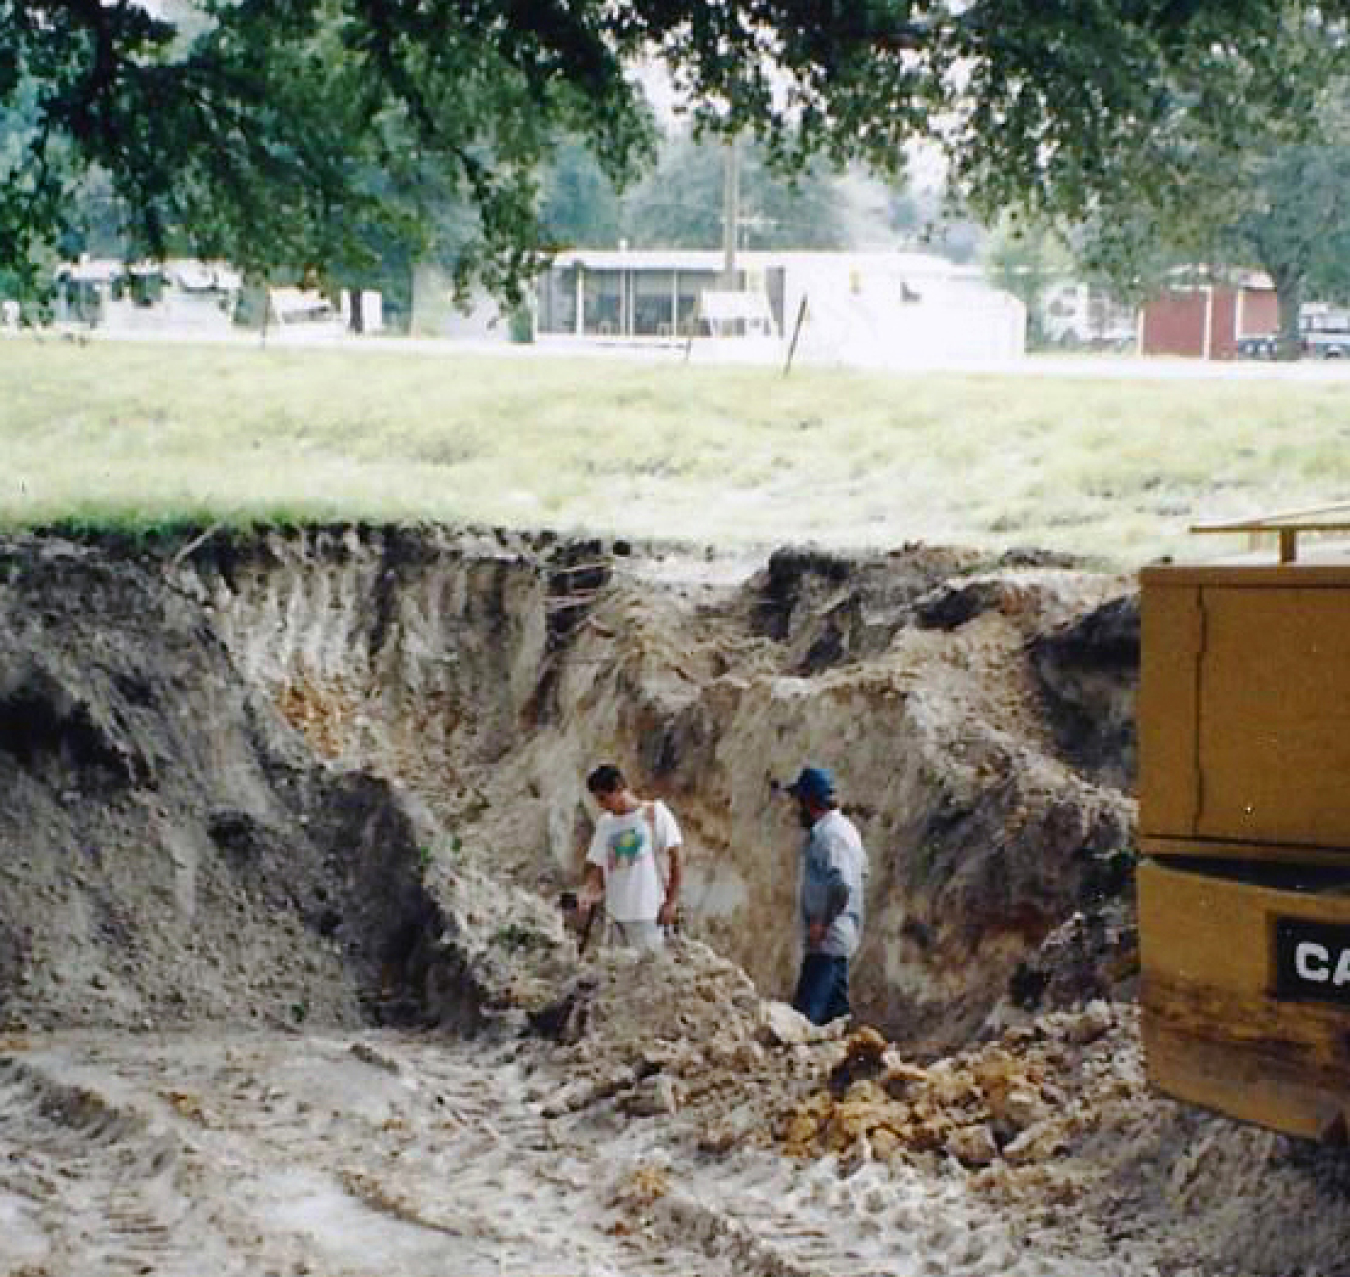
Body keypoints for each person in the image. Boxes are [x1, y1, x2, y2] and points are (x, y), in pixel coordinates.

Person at [786, 765, 868, 1025]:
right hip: (836, 941)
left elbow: (842, 884)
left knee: (806, 1022)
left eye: (800, 801)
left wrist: (822, 921)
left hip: (828, 942)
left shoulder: (831, 836)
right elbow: (863, 873)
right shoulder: (844, 830)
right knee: (835, 1021)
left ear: (809, 801)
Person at [577, 763, 683, 952]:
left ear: (618, 788)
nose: (602, 805)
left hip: (648, 915)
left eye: (604, 798)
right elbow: (597, 865)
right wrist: (589, 890)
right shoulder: (606, 824)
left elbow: (677, 858)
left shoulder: (654, 814)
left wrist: (671, 902)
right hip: (615, 918)